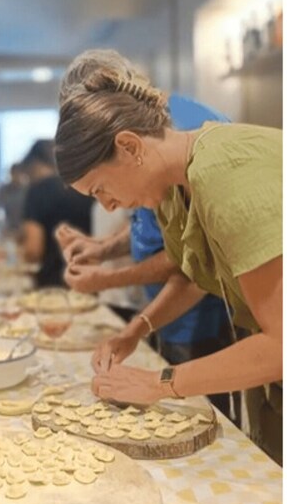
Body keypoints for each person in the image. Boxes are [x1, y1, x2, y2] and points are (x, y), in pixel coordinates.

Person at [54, 51, 282, 463]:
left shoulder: (225, 174)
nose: (107, 206)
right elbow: (198, 277)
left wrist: (159, 383)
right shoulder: (172, 188)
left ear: (129, 146)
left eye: (100, 189)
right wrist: (135, 330)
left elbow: (280, 345)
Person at [21, 139, 92, 287]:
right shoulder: (83, 183)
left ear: (34, 165)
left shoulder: (37, 191)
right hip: (92, 278)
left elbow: (33, 250)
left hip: (53, 282)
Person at [0, 163, 28, 237]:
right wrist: (2, 226)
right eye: (14, 174)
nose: (17, 177)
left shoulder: (29, 190)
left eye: (19, 174)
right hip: (8, 230)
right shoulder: (3, 191)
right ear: (11, 174)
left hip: (27, 228)